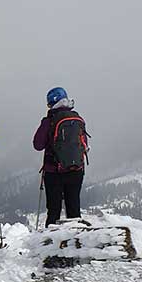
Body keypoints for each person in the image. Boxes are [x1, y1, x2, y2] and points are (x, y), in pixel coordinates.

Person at [33, 87, 90, 226]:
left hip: (54, 172)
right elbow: (83, 144)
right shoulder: (77, 118)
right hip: (76, 170)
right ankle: (77, 243)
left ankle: (49, 244)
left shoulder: (49, 121)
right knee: (74, 210)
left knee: (53, 211)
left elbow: (38, 144)